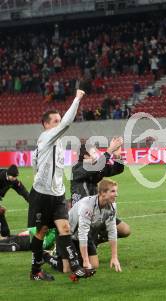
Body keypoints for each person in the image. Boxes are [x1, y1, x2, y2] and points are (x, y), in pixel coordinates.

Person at [28, 89, 95, 281]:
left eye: (59, 120)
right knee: (41, 233)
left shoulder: (56, 143)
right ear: (46, 125)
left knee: (65, 229)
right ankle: (35, 272)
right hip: (41, 195)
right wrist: (77, 98)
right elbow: (67, 123)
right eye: (55, 121)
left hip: (57, 194)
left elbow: (36, 165)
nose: (59, 124)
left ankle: (76, 268)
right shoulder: (45, 138)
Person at [44, 179, 122, 273]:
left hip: (84, 235)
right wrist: (85, 261)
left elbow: (112, 230)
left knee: (94, 265)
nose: (116, 194)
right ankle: (46, 256)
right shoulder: (87, 206)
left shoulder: (112, 206)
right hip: (68, 236)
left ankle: (76, 257)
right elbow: (82, 233)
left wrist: (114, 257)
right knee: (67, 269)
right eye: (113, 191)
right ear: (102, 193)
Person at [70, 138, 131, 243]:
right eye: (94, 152)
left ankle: (96, 239)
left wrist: (117, 156)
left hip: (97, 211)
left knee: (125, 230)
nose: (97, 154)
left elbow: (117, 169)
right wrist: (109, 150)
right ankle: (86, 240)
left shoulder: (96, 168)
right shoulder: (78, 168)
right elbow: (96, 167)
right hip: (82, 214)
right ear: (86, 156)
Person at [0, 165, 29, 237]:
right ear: (8, 174)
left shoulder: (13, 180)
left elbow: (23, 191)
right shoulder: (1, 176)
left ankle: (6, 236)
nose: (15, 179)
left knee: (1, 217)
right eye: (13, 177)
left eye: (16, 177)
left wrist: (32, 201)